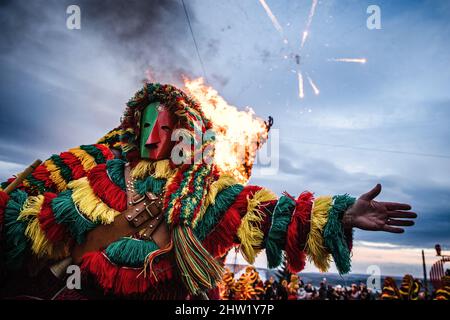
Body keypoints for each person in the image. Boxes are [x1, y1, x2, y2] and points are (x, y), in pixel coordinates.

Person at [0, 83, 417, 299]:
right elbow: (33, 213)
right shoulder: (94, 168)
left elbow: (269, 213)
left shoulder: (205, 189)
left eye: (163, 127)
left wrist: (343, 213)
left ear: (179, 130)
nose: (152, 135)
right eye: (145, 125)